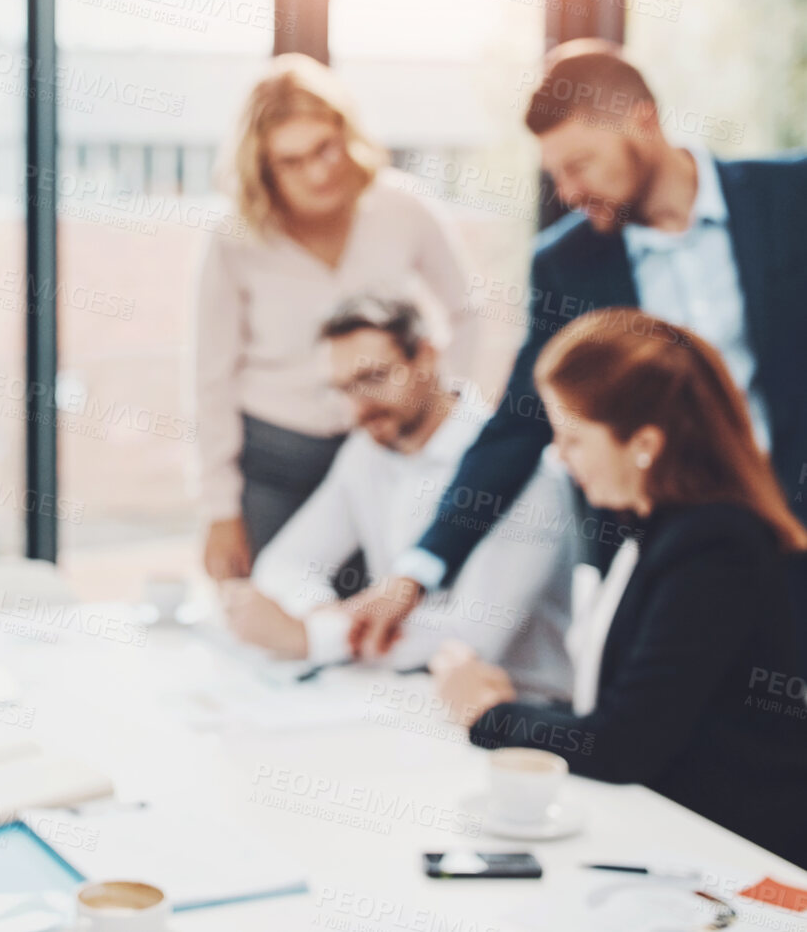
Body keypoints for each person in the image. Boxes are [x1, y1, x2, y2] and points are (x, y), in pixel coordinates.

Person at [346, 40, 807, 665]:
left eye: (580, 164)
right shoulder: (569, 265)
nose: (567, 190)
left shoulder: (789, 198)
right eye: (556, 173)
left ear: (641, 119)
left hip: (789, 529)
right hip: (660, 559)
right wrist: (417, 572)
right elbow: (518, 422)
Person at [430, 308, 807, 868]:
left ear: (645, 444)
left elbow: (625, 743)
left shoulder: (715, 549)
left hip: (734, 855)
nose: (560, 456)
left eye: (574, 437)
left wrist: (489, 712)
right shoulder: (665, 526)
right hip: (679, 830)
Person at [193, 53, 481, 582]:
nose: (318, 172)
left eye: (324, 148)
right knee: (278, 606)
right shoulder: (235, 239)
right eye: (291, 161)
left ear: (345, 133)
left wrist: (441, 408)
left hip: (386, 450)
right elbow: (211, 377)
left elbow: (466, 312)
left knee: (389, 615)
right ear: (263, 168)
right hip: (278, 460)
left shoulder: (401, 206)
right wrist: (219, 508)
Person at [223, 295, 572, 699]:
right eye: (344, 389)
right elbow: (286, 563)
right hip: (401, 692)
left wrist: (310, 636)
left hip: (517, 709)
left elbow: (473, 637)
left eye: (373, 378)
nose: (359, 409)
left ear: (425, 357)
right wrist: (317, 613)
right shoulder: (368, 451)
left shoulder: (516, 470)